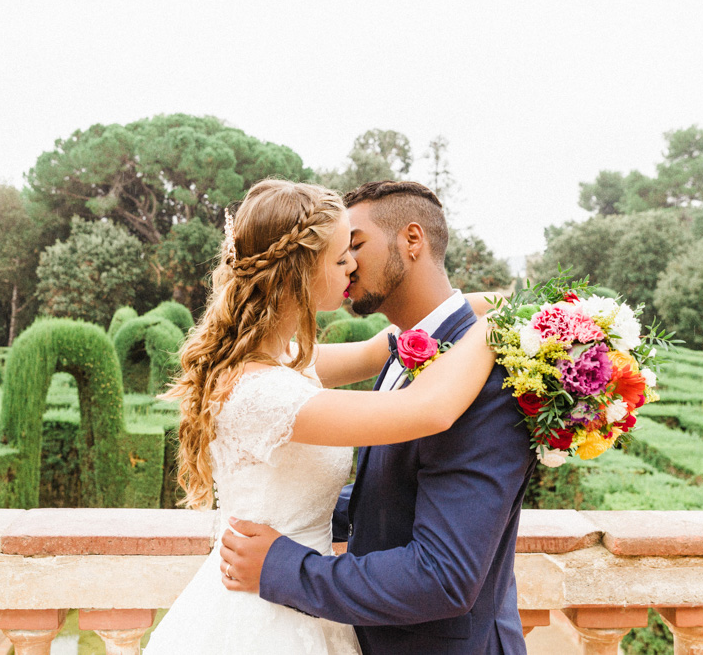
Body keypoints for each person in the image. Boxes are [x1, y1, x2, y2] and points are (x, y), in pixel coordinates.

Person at [143, 179, 500, 655]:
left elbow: (383, 349)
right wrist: (498, 332)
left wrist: (500, 305)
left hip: (303, 599)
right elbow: (429, 409)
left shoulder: (283, 359)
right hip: (264, 611)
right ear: (300, 274)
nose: (353, 265)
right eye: (340, 258)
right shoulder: (263, 392)